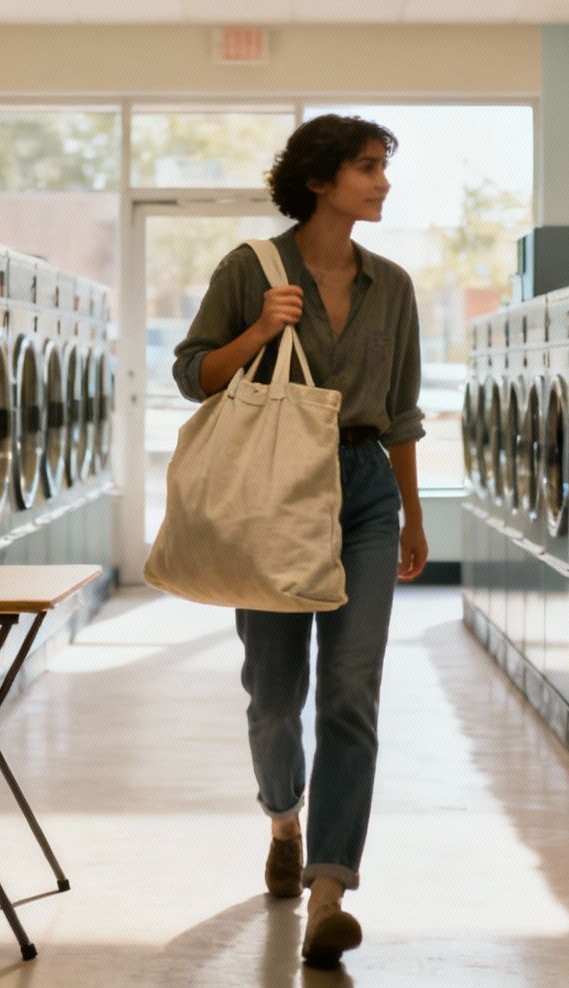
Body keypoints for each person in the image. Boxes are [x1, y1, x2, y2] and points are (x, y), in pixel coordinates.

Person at [171, 114, 428, 969]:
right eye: (366, 168)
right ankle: (283, 816)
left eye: (383, 168)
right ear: (319, 180)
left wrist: (411, 513)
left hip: (363, 492)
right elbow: (191, 374)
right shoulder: (253, 269)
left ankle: (328, 892)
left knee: (352, 692)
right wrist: (258, 333)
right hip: (274, 487)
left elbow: (399, 414)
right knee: (275, 695)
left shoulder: (391, 285)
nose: (381, 183)